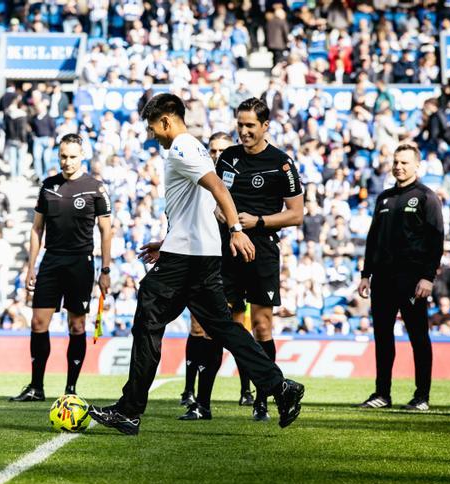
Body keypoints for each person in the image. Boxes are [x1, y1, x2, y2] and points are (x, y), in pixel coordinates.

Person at [87, 94, 304, 435]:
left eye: (153, 128)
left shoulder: (183, 148)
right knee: (224, 327)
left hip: (186, 257)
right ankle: (281, 387)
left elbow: (218, 188)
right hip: (197, 252)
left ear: (167, 122)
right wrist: (168, 241)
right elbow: (202, 202)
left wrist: (235, 230)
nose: (153, 135)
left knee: (148, 319)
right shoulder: (198, 149)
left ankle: (129, 410)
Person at [183, 98, 305, 422]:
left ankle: (263, 401)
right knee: (215, 325)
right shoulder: (228, 157)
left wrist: (258, 222)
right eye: (240, 125)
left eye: (251, 125)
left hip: (262, 252)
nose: (244, 131)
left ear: (266, 126)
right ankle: (202, 404)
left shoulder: (282, 163)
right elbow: (215, 202)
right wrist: (230, 220)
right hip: (227, 250)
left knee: (262, 327)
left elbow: (296, 214)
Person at [10, 133, 112, 402]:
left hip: (81, 263)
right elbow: (36, 229)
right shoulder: (49, 186)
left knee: (77, 326)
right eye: (63, 157)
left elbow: (106, 231)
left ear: (83, 155)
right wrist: (30, 267)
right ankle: (36, 387)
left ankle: (70, 390)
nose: (67, 161)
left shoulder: (95, 188)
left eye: (72, 156)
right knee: (38, 322)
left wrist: (106, 270)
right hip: (51, 261)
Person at [356, 142, 444, 411]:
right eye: (396, 162)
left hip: (412, 280)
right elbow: (373, 239)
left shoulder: (427, 197)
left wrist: (427, 277)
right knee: (383, 338)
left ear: (417, 165)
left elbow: (436, 240)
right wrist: (365, 274)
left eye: (405, 162)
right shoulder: (384, 197)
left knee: (418, 337)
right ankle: (382, 394)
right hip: (382, 279)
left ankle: (422, 397)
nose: (399, 166)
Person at [179, 132, 257, 414]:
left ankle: (246, 390)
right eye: (212, 150)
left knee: (237, 327)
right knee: (200, 328)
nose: (216, 154)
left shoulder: (236, 182)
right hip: (206, 262)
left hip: (236, 261)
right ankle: (192, 391)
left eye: (222, 149)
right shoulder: (200, 183)